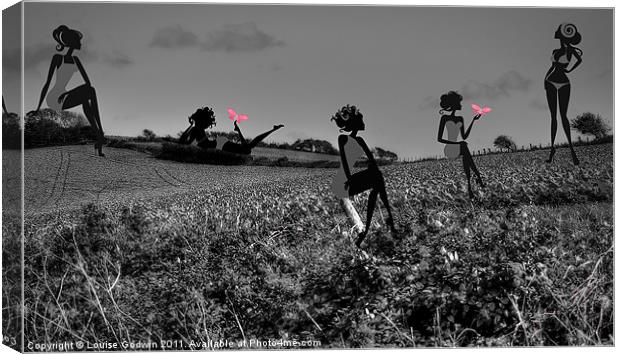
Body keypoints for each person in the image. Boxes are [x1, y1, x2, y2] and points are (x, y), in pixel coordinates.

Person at [30, 25, 106, 156]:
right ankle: (100, 134)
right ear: (71, 42)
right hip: (54, 98)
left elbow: (88, 83)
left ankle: (99, 137)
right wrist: (37, 108)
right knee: (89, 92)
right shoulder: (57, 58)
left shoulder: (76, 60)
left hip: (65, 95)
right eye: (78, 41)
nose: (80, 43)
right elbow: (47, 83)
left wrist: (68, 93)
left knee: (88, 95)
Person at [330, 104, 396, 247]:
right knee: (376, 178)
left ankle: (367, 230)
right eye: (361, 121)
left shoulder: (361, 140)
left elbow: (372, 161)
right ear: (354, 123)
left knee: (377, 176)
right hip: (344, 181)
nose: (364, 123)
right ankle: (374, 227)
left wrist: (372, 169)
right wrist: (348, 179)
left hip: (355, 178)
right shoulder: (343, 138)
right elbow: (345, 162)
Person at [544, 23, 583, 165]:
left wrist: (570, 70)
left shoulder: (571, 50)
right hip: (550, 82)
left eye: (561, 37)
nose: (559, 39)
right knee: (553, 116)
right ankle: (552, 150)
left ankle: (572, 150)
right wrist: (545, 79)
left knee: (563, 116)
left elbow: (580, 60)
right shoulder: (556, 50)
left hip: (564, 83)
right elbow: (552, 66)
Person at [179, 106, 284, 155]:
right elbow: (183, 142)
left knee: (247, 149)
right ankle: (272, 130)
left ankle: (272, 130)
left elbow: (183, 142)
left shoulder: (196, 129)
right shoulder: (196, 129)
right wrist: (191, 125)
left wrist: (191, 126)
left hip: (219, 144)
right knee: (248, 148)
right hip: (219, 144)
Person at [437, 91, 484, 198]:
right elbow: (439, 139)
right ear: (454, 104)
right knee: (463, 146)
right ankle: (478, 179)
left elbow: (464, 136)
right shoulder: (444, 118)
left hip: (459, 147)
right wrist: (456, 142)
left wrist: (473, 121)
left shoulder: (460, 119)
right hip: (449, 148)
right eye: (459, 103)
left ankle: (470, 187)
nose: (461, 105)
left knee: (464, 148)